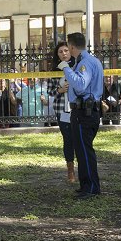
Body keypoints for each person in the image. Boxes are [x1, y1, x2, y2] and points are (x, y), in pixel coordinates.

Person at [58, 32, 103, 199]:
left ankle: (91, 187)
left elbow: (81, 85)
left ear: (71, 46)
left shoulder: (85, 63)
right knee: (82, 149)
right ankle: (87, 185)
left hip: (84, 112)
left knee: (84, 150)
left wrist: (67, 69)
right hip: (85, 111)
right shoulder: (91, 61)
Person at [47, 41, 76, 183]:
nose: (64, 53)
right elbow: (50, 91)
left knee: (79, 138)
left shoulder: (77, 66)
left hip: (78, 109)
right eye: (60, 52)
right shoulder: (54, 71)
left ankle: (82, 167)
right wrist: (60, 90)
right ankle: (70, 169)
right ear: (57, 55)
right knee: (68, 139)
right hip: (61, 110)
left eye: (66, 50)